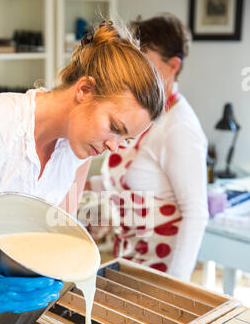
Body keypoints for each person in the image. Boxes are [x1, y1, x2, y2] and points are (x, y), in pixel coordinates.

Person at [0, 20, 164, 315]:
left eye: (125, 139)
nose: (114, 147)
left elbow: (55, 235)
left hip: (5, 304)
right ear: (85, 89)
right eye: (114, 127)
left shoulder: (78, 152)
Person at [87, 14, 209, 281]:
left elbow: (196, 213)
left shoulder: (180, 128)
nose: (139, 73)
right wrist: (84, 187)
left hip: (161, 265)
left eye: (148, 63)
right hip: (129, 255)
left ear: (173, 66)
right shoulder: (143, 115)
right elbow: (137, 183)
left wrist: (176, 283)